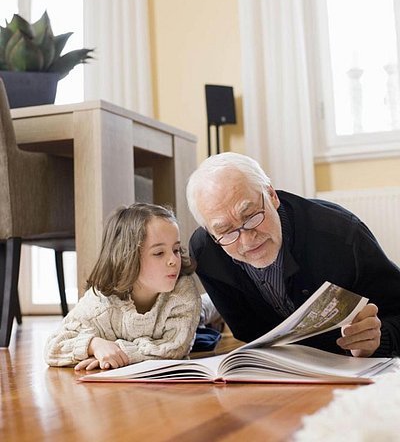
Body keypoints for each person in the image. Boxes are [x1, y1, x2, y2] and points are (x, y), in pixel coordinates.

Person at [186, 152, 400, 358]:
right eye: (226, 231)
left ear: (271, 195)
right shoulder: (206, 252)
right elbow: (248, 333)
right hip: (282, 370)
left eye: (251, 216)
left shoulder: (340, 233)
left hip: (353, 368)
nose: (247, 240)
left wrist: (376, 343)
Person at [45, 203, 201, 370]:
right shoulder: (100, 303)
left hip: (195, 319)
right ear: (127, 257)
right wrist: (94, 345)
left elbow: (175, 347)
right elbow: (53, 347)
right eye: (159, 253)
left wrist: (117, 354)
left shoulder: (183, 291)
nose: (174, 260)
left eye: (176, 250)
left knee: (207, 309)